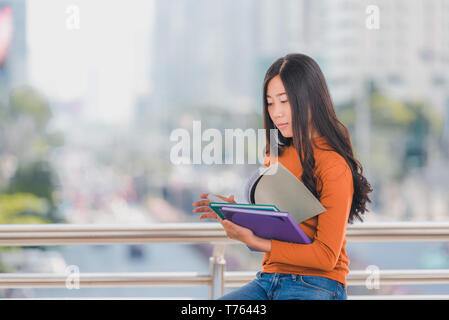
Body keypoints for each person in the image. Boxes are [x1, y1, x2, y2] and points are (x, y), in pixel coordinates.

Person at [192, 53, 373, 300]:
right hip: (268, 280)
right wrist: (236, 214)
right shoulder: (276, 153)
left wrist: (255, 242)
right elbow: (279, 228)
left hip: (318, 284)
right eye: (270, 102)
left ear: (310, 99)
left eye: (284, 101)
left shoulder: (333, 164)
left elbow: (325, 257)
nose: (276, 112)